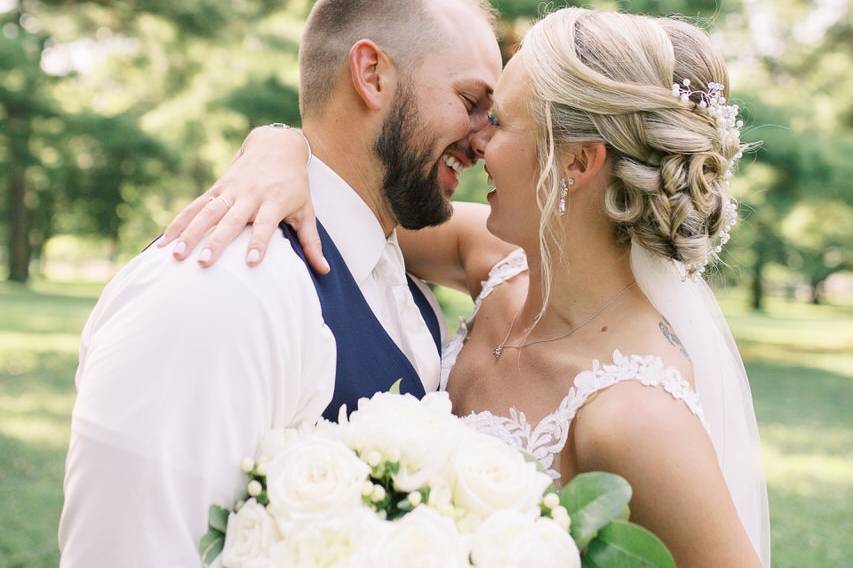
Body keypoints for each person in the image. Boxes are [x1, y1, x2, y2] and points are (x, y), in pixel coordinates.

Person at [164, 7, 772, 567]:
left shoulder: (637, 416)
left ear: (578, 164)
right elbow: (354, 204)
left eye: (500, 121)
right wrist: (276, 145)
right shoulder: (497, 259)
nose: (475, 141)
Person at [58, 1, 502, 565]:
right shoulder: (220, 290)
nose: (484, 141)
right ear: (372, 76)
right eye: (471, 103)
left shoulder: (398, 273)